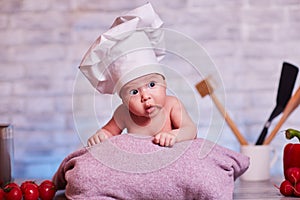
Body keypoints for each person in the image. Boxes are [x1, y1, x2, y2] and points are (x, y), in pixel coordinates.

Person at [79, 3, 197, 147]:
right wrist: (101, 136)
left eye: (152, 85)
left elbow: (191, 130)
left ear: (165, 83)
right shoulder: (123, 113)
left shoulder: (172, 105)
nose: (145, 96)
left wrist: (174, 135)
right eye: (134, 92)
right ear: (123, 100)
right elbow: (108, 132)